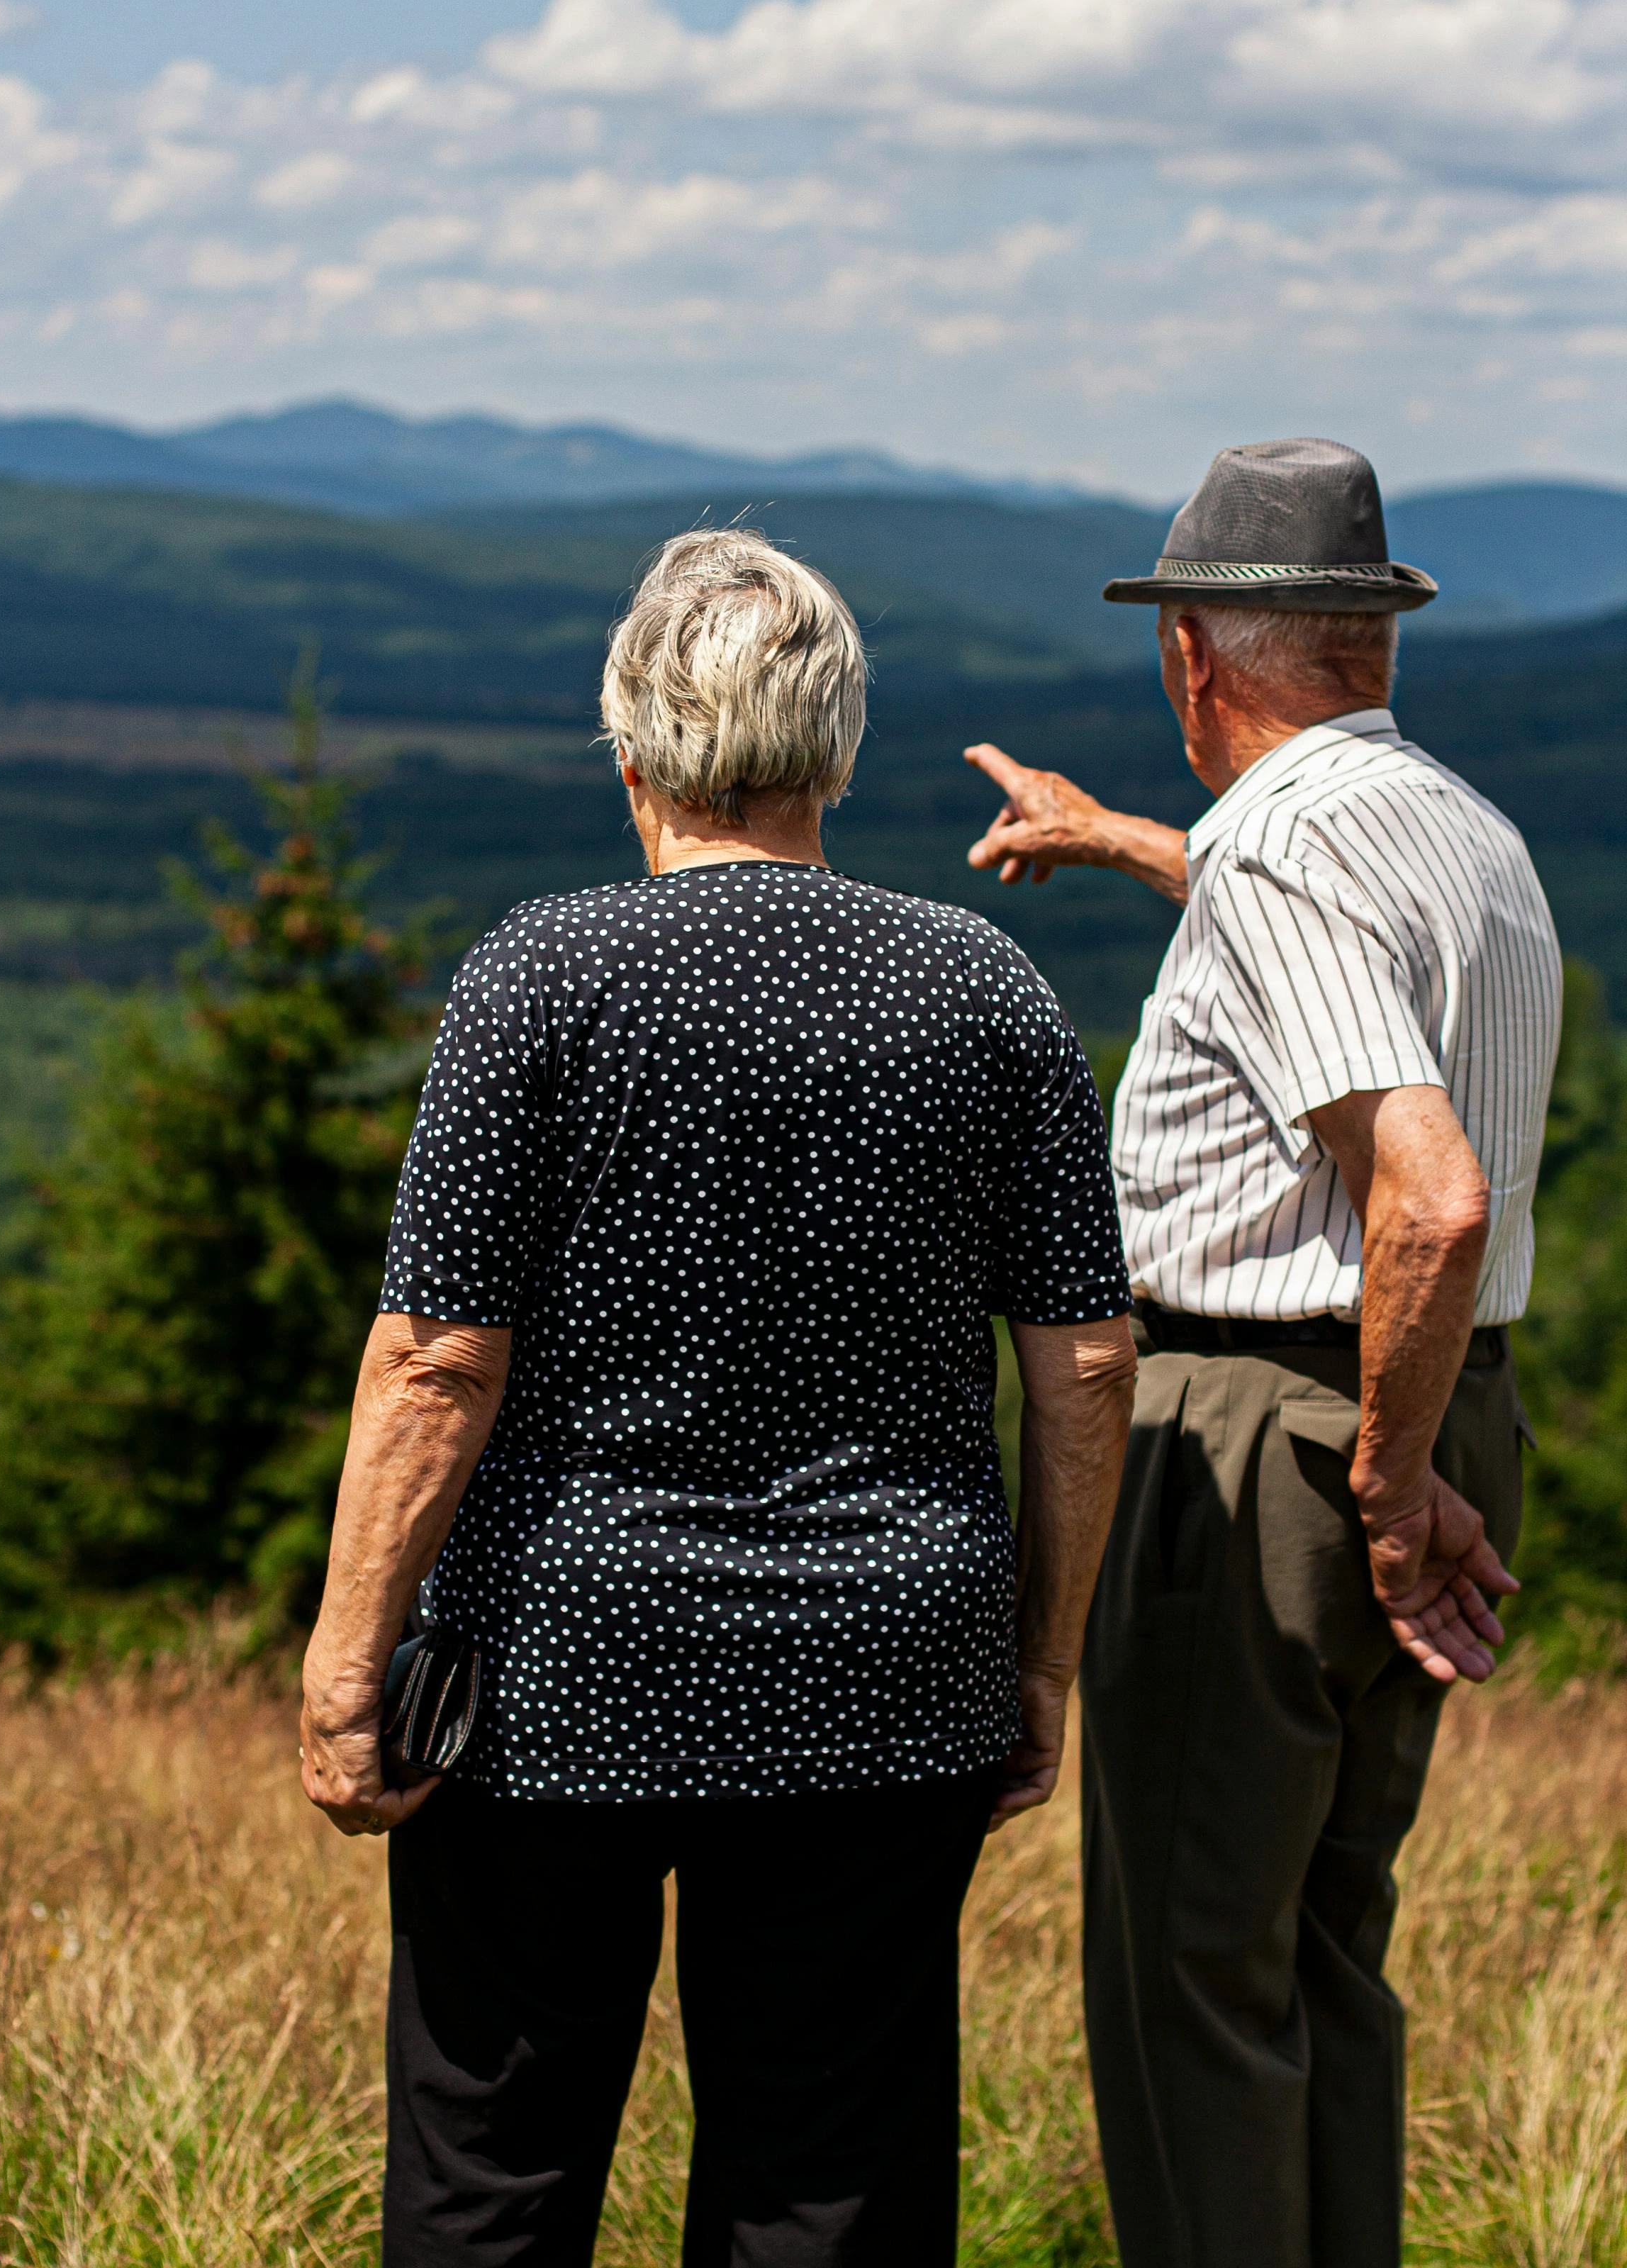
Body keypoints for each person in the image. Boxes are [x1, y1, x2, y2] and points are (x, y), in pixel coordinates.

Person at [300, 526, 1139, 2268]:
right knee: (827, 2182)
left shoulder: (541, 976)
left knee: (496, 2166)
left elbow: (439, 1356)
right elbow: (1085, 1361)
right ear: (837, 750)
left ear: (631, 756)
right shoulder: (983, 988)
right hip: (884, 1672)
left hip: (557, 1664)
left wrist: (342, 1658)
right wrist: (1039, 1660)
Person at [965, 439, 1562, 2268]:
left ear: (1195, 662)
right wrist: (1129, 839)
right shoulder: (1460, 832)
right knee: (1320, 1956)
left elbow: (1429, 1197)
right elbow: (1318, 953)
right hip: (1446, 1401)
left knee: (1188, 1986)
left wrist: (1373, 1484)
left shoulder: (1281, 852)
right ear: (1373, 642)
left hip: (1267, 1435)